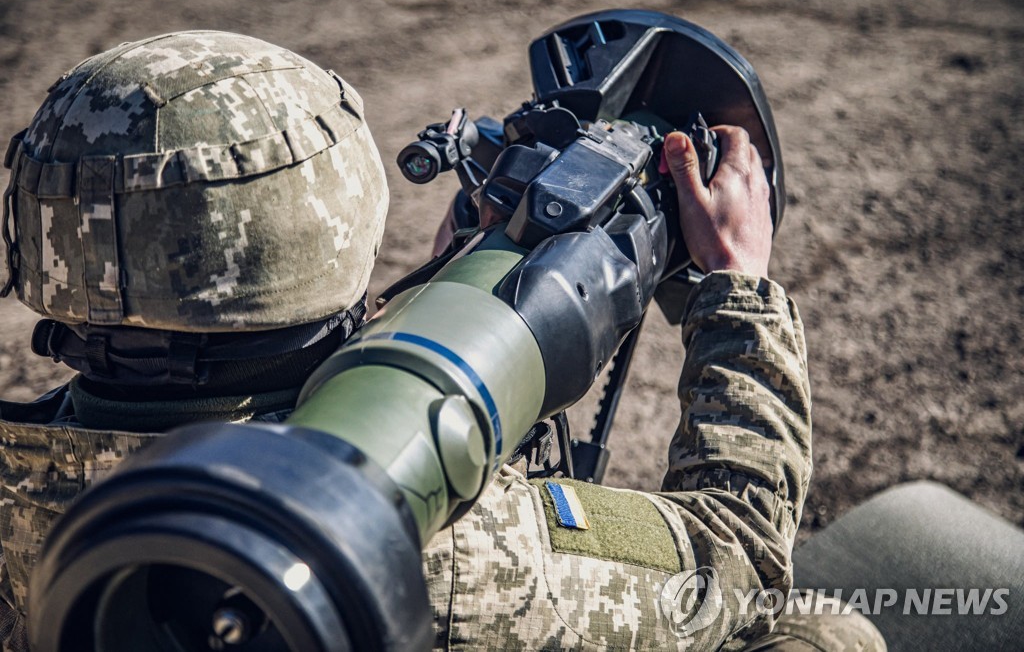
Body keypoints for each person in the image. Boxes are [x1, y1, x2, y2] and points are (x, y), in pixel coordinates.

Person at [0, 32, 882, 651]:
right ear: (326, 223)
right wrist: (740, 291)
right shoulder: (431, 550)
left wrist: (436, 295)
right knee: (828, 633)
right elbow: (731, 562)